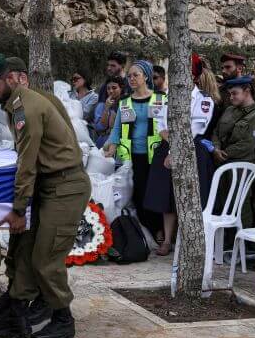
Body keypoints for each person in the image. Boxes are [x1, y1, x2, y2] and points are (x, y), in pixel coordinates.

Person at [0, 54, 90, 338]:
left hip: (64, 187)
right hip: (48, 186)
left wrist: (17, 209)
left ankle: (63, 319)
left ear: (11, 78)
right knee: (23, 249)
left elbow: (27, 163)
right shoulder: (20, 104)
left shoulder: (25, 107)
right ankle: (19, 310)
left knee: (45, 258)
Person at [144, 64, 218, 255]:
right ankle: (167, 240)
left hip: (191, 149)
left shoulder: (204, 99)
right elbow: (160, 122)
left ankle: (188, 241)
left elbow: (195, 128)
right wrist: (168, 139)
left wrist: (175, 149)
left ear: (192, 77)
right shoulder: (167, 95)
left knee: (191, 195)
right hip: (167, 145)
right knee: (166, 196)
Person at [103, 60, 166, 241]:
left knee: (154, 193)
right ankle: (147, 231)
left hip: (156, 155)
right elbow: (116, 129)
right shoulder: (124, 102)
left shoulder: (160, 98)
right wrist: (110, 146)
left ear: (146, 76)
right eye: (129, 75)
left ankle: (159, 230)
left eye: (135, 75)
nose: (131, 78)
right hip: (132, 155)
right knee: (138, 194)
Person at [211, 76, 255, 227]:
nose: (231, 97)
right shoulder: (229, 110)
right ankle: (228, 240)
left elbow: (249, 143)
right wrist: (216, 148)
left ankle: (244, 238)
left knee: (240, 201)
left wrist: (224, 153)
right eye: (230, 94)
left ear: (247, 91)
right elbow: (216, 131)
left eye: (234, 93)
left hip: (242, 163)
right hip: (221, 162)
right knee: (223, 200)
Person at [93, 76, 124, 147]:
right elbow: (100, 127)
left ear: (121, 88)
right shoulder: (101, 105)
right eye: (108, 88)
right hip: (104, 142)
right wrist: (106, 108)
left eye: (114, 88)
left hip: (120, 143)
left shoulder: (126, 104)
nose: (111, 91)